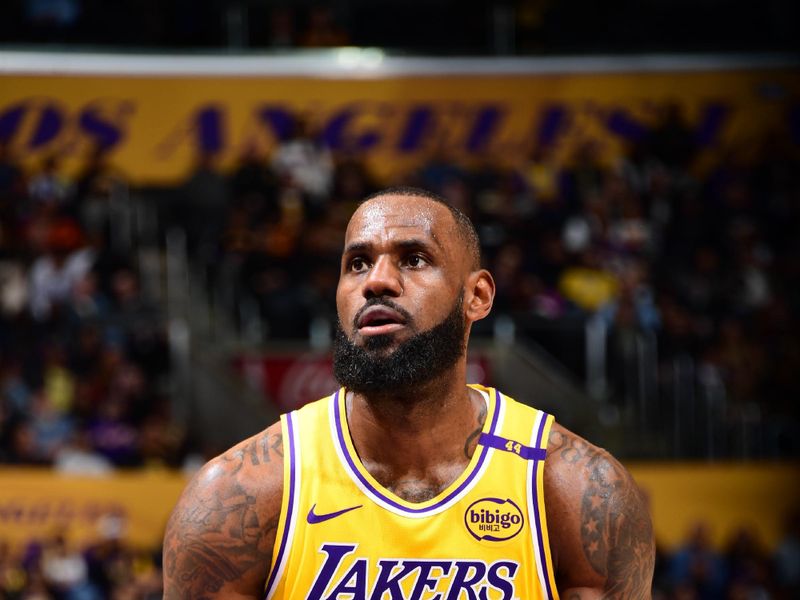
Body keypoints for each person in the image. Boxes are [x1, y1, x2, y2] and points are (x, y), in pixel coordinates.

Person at [162, 187, 655, 598]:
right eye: (357, 263)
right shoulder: (236, 500)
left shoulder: (579, 493)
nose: (377, 281)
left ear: (477, 296)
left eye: (414, 259)